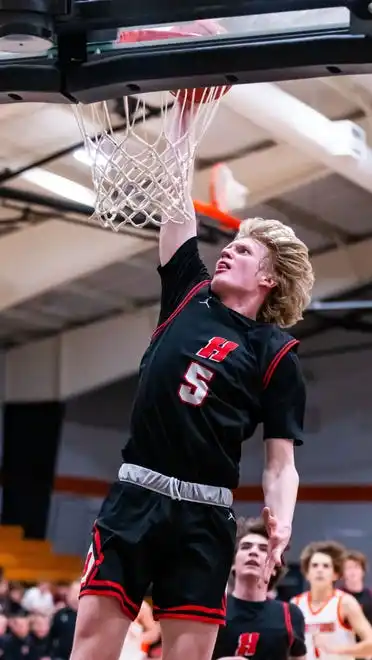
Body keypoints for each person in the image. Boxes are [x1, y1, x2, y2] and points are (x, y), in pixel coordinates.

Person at [70, 105, 314, 660]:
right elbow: (176, 205)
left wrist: (283, 523)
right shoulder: (188, 293)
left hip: (205, 514)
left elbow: (281, 463)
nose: (227, 249)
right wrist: (184, 122)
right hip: (136, 493)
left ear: (269, 278)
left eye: (244, 250)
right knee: (90, 649)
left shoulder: (275, 353)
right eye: (229, 244)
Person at [213, 517, 306, 660]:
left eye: (263, 549)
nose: (253, 552)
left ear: (274, 567)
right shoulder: (213, 607)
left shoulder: (290, 613)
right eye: (246, 547)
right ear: (233, 564)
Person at [292, 541, 372, 660]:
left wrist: (336, 650)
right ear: (307, 573)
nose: (320, 570)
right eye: (314, 565)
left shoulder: (345, 602)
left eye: (326, 566)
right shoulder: (295, 604)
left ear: (335, 574)